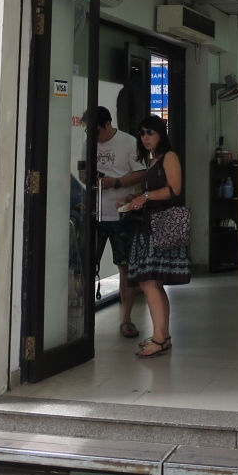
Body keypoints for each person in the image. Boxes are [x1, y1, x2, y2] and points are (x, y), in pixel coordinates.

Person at [120, 115, 189, 358]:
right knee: (154, 283)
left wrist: (145, 197)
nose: (145, 138)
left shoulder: (169, 157)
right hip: (150, 224)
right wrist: (133, 198)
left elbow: (174, 189)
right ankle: (163, 336)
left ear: (161, 134)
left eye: (150, 133)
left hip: (162, 224)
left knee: (149, 282)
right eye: (142, 133)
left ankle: (159, 339)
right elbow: (152, 191)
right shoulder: (152, 160)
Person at [81, 107, 146, 338]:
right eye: (89, 131)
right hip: (94, 213)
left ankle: (126, 319)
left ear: (107, 124)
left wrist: (116, 182)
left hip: (122, 214)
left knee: (125, 267)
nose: (93, 135)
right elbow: (82, 171)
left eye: (96, 130)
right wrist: (90, 178)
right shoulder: (89, 142)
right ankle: (82, 320)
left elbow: (141, 173)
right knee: (85, 265)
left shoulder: (128, 142)